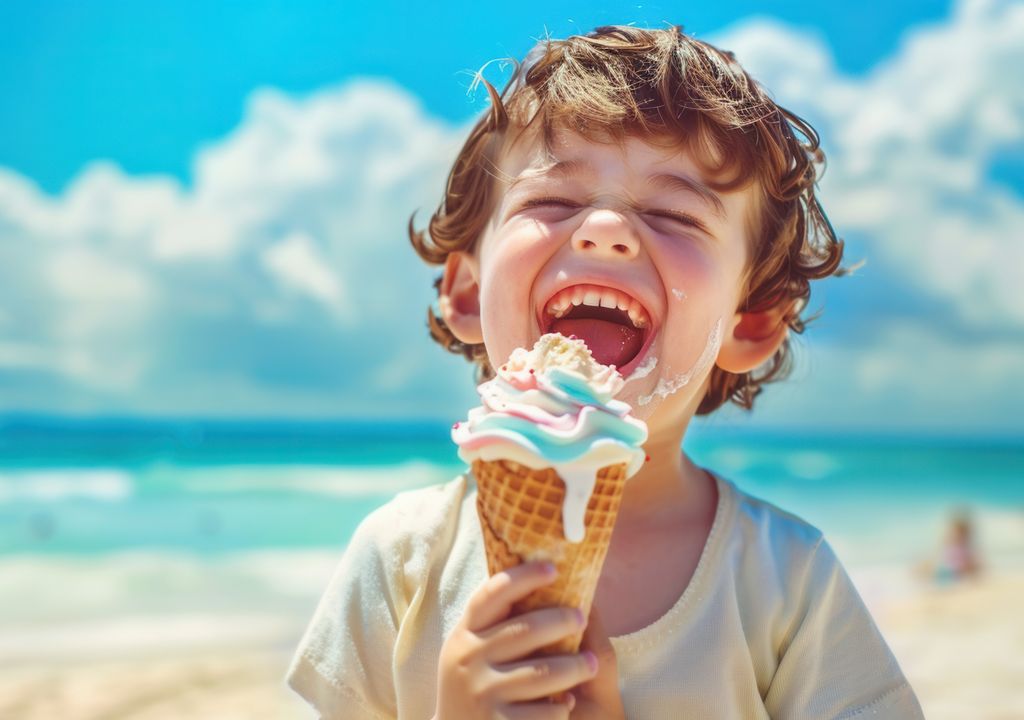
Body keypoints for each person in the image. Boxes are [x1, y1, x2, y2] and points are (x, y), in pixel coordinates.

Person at [287, 25, 924, 719]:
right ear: (468, 294)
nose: (605, 230)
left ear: (750, 322)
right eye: (552, 202)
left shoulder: (787, 581)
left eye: (671, 214)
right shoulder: (402, 560)